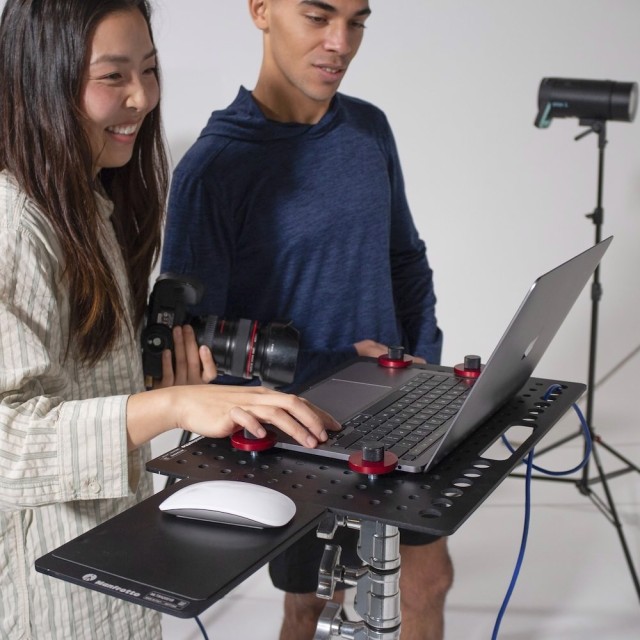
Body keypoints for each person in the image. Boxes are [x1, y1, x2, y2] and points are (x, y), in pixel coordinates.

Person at [0, 1, 338, 638]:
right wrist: (173, 405)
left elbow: (73, 386)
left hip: (108, 566)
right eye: (113, 76)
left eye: (150, 70)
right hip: (47, 598)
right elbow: (7, 443)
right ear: (42, 79)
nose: (142, 98)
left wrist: (156, 387)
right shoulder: (14, 224)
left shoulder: (88, 200)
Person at [161, 1, 454, 638]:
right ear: (261, 10)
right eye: (318, 17)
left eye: (357, 22)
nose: (341, 42)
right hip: (295, 433)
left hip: (396, 408)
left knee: (427, 581)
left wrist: (424, 370)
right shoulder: (213, 169)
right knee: (311, 605)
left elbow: (405, 260)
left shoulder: (369, 128)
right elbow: (196, 347)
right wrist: (339, 367)